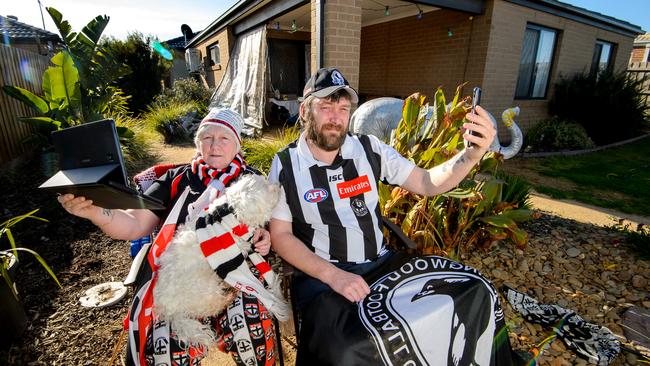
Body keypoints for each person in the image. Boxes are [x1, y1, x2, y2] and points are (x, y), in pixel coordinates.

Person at [268, 68, 514, 365]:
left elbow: (426, 182)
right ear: (306, 110)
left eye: (343, 108)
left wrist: (472, 155)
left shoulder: (368, 149)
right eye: (326, 106)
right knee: (346, 350)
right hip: (324, 275)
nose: (335, 117)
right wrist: (334, 275)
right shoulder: (286, 164)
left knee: (476, 289)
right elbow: (280, 236)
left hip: (383, 264)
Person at [59, 108, 277, 366]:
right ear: (198, 143)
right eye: (207, 138)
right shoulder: (174, 180)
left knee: (251, 329)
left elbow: (272, 229)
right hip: (181, 283)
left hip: (237, 279)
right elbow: (133, 225)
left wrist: (266, 236)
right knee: (165, 349)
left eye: (224, 138)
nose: (214, 145)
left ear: (237, 145)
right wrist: (96, 212)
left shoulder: (253, 182)